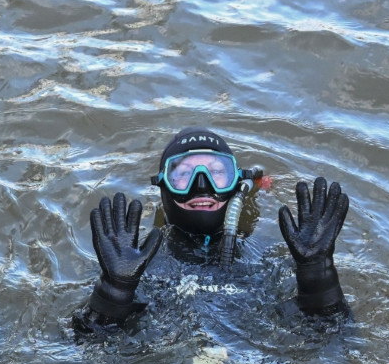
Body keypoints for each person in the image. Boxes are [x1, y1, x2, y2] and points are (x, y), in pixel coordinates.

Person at [78, 127, 350, 327]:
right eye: (184, 174)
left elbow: (330, 339)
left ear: (237, 182)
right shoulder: (128, 264)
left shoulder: (270, 258)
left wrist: (318, 276)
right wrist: (113, 292)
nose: (202, 185)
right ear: (163, 187)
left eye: (217, 173)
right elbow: (83, 350)